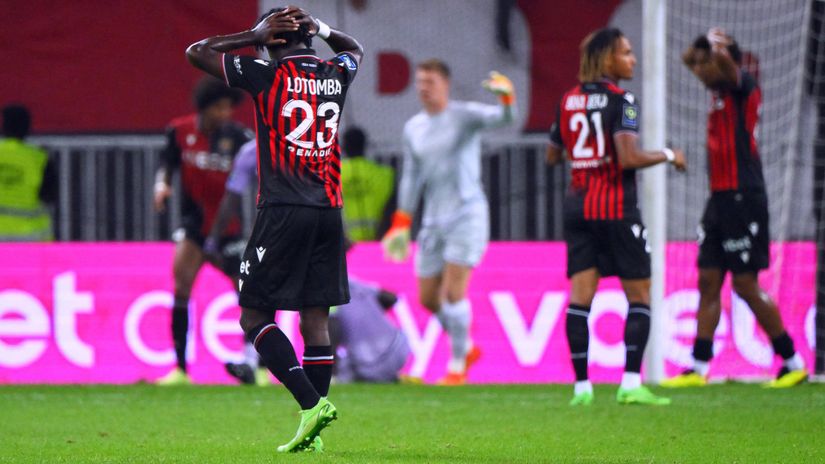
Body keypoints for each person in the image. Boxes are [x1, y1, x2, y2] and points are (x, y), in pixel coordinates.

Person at [186, 5, 362, 453]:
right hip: (328, 210)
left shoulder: (265, 74)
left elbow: (197, 52)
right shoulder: (334, 73)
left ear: (272, 42)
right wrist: (319, 27)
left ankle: (310, 405)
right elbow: (354, 48)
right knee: (315, 319)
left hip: (284, 209)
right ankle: (314, 431)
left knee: (254, 314)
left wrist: (251, 32)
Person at [546, 28, 687, 406]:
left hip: (577, 208)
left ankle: (581, 389)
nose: (633, 60)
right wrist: (670, 155)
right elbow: (628, 159)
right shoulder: (622, 101)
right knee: (639, 294)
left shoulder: (567, 100)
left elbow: (552, 155)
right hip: (616, 208)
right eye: (626, 53)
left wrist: (584, 156)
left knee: (580, 298)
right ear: (608, 58)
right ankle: (629, 383)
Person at [662, 29, 807, 389]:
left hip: (745, 195)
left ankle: (791, 361)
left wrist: (718, 46)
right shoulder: (717, 91)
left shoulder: (743, 87)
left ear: (726, 61)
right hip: (719, 199)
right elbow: (687, 59)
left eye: (710, 60)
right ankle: (697, 368)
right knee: (708, 281)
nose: (702, 69)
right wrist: (703, 45)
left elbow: (724, 64)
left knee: (744, 284)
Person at [381, 60, 516, 385]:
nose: (423, 88)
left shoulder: (464, 116)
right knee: (428, 297)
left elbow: (503, 119)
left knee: (454, 293)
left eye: (430, 82)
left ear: (445, 84)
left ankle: (457, 367)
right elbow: (412, 176)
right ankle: (466, 346)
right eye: (419, 82)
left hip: (467, 215)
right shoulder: (414, 127)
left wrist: (507, 98)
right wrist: (401, 220)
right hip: (432, 220)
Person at [152, 77, 250, 386]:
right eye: (219, 108)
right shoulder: (179, 131)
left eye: (229, 108)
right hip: (193, 226)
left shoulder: (239, 137)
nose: (225, 114)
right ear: (204, 107)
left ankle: (254, 363)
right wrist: (162, 185)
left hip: (229, 229)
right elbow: (167, 164)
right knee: (181, 288)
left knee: (249, 295)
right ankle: (180, 369)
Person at [203, 139, 273, 387]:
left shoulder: (302, 142)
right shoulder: (251, 151)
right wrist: (213, 238)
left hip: (302, 226)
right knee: (258, 293)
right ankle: (255, 363)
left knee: (313, 310)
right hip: (272, 230)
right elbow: (231, 197)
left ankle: (329, 373)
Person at [330, 276, 410, 383]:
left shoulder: (326, 290)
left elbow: (332, 331)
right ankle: (389, 378)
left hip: (367, 363)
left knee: (342, 372)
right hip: (398, 349)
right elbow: (392, 298)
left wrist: (332, 372)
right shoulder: (353, 283)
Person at [0, 105, 56, 241]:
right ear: (27, 128)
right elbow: (49, 196)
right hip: (30, 237)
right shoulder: (39, 158)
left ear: (4, 127)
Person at [340, 126, 394, 241]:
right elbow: (390, 208)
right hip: (377, 239)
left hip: (344, 242)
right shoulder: (384, 174)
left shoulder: (332, 174)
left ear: (343, 147)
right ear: (365, 145)